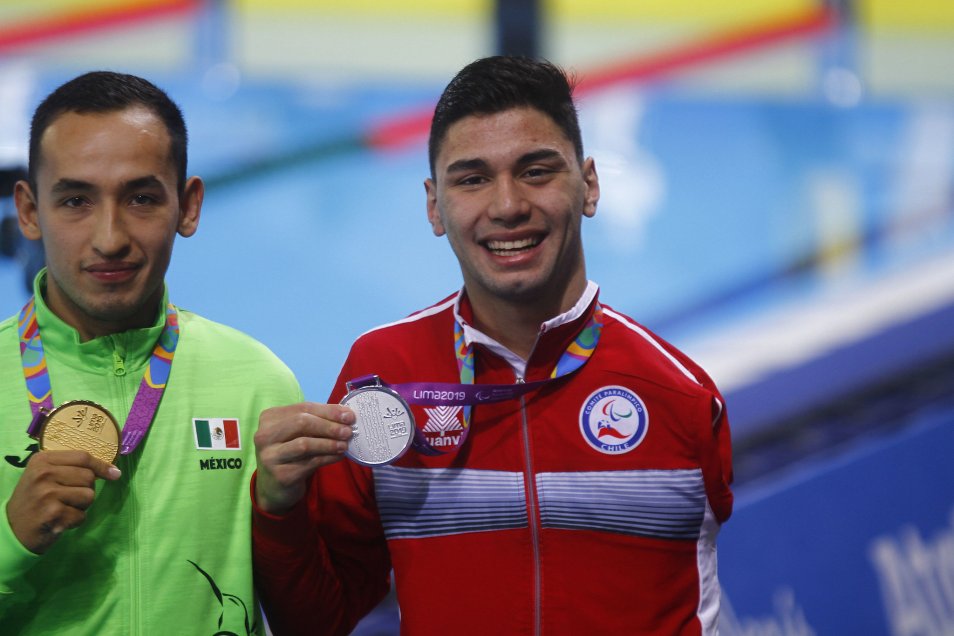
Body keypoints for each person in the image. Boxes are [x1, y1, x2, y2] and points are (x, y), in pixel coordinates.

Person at [252, 56, 734, 635]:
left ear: (590, 185)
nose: (507, 206)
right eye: (473, 178)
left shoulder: (677, 394)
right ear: (435, 205)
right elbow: (317, 620)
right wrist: (277, 510)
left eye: (535, 171)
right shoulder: (384, 374)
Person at [0, 71, 302, 635]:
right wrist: (9, 540)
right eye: (75, 200)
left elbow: (313, 612)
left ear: (188, 206)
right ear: (29, 211)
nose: (110, 236)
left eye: (141, 197)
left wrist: (287, 518)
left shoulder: (258, 383)